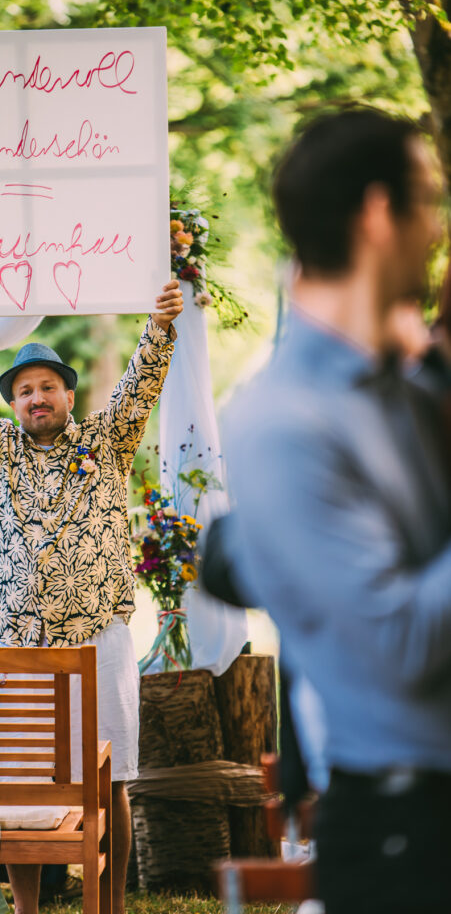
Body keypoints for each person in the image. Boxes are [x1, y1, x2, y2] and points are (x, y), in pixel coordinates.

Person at [0, 279, 183, 914]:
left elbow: (143, 379)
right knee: (14, 784)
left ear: (68, 394)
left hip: (96, 637)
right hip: (11, 644)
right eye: (24, 389)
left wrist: (159, 325)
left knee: (112, 780)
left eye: (48, 386)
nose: (37, 397)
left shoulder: (108, 440)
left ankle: (111, 905)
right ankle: (25, 910)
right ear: (12, 402)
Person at [221, 107, 451, 914]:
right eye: (427, 203)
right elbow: (399, 644)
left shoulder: (409, 389)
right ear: (378, 214)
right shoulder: (281, 421)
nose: (435, 229)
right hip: (410, 839)